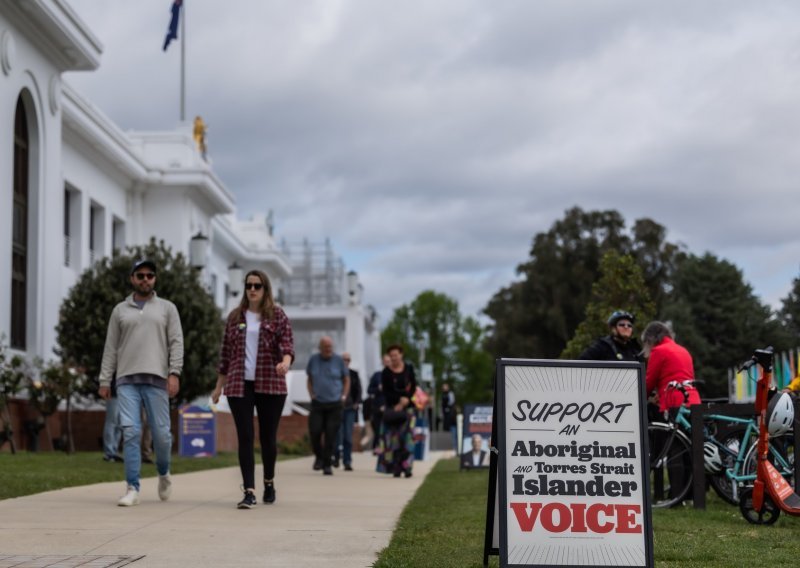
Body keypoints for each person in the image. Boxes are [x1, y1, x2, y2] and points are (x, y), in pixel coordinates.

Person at [98, 259, 182, 507]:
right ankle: (132, 487)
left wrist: (174, 372)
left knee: (162, 436)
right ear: (132, 279)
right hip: (126, 382)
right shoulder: (119, 311)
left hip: (157, 380)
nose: (145, 279)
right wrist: (105, 379)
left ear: (155, 280)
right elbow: (111, 348)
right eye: (140, 275)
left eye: (150, 275)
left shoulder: (167, 308)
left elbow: (177, 342)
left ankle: (164, 472)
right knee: (131, 432)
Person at [212, 270, 294, 509]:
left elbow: (287, 344)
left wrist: (285, 363)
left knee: (268, 438)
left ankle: (269, 481)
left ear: (265, 289)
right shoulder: (235, 316)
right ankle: (249, 491)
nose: (253, 289)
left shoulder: (277, 315)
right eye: (249, 285)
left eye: (258, 285)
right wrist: (218, 387)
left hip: (270, 382)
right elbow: (225, 354)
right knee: (245, 437)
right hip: (239, 385)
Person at [306, 336, 349, 476]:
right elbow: (309, 379)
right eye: (325, 347)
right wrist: (311, 394)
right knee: (315, 432)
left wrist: (344, 396)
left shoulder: (339, 361)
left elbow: (346, 379)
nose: (328, 349)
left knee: (331, 435)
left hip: (335, 404)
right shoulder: (313, 360)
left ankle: (327, 464)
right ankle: (319, 456)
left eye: (330, 346)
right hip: (318, 403)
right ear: (320, 348)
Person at [376, 344, 417, 478]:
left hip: (408, 409)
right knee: (393, 441)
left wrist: (406, 399)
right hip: (392, 410)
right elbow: (386, 392)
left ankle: (407, 467)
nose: (394, 358)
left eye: (396, 355)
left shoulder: (409, 369)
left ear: (401, 354)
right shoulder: (386, 372)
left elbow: (413, 387)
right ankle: (395, 468)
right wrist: (399, 401)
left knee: (408, 440)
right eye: (391, 355)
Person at [641, 321, 701, 412]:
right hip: (693, 399)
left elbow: (649, 384)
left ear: (649, 340)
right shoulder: (683, 350)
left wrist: (637, 399)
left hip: (674, 401)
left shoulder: (658, 351)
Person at [334, 352, 362, 471]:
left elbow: (359, 390)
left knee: (348, 436)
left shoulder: (354, 374)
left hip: (350, 408)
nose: (346, 361)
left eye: (348, 359)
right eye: (344, 359)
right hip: (336, 408)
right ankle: (335, 456)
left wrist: (357, 403)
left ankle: (347, 461)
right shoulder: (335, 373)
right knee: (337, 434)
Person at [578, 310, 643, 362]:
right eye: (622, 324)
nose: (626, 327)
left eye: (629, 325)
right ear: (613, 328)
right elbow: (581, 363)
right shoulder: (602, 346)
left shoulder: (635, 349)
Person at [366, 355, 390, 450]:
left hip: (389, 406)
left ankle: (386, 448)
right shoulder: (377, 375)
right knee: (377, 429)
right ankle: (377, 447)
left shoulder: (395, 375)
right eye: (386, 361)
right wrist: (378, 389)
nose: (387, 363)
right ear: (382, 362)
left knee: (388, 429)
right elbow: (369, 390)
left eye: (389, 361)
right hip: (377, 407)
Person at [102, 377, 123, 462]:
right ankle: (109, 452)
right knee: (111, 422)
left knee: (119, 424)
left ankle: (114, 450)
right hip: (113, 393)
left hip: (123, 394)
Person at [440, 382, 457, 454]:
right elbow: (442, 405)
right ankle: (448, 446)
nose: (444, 388)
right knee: (446, 430)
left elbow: (451, 402)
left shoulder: (450, 393)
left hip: (451, 415)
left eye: (445, 387)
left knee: (453, 429)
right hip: (446, 415)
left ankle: (454, 446)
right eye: (443, 387)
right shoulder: (442, 395)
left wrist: (448, 408)